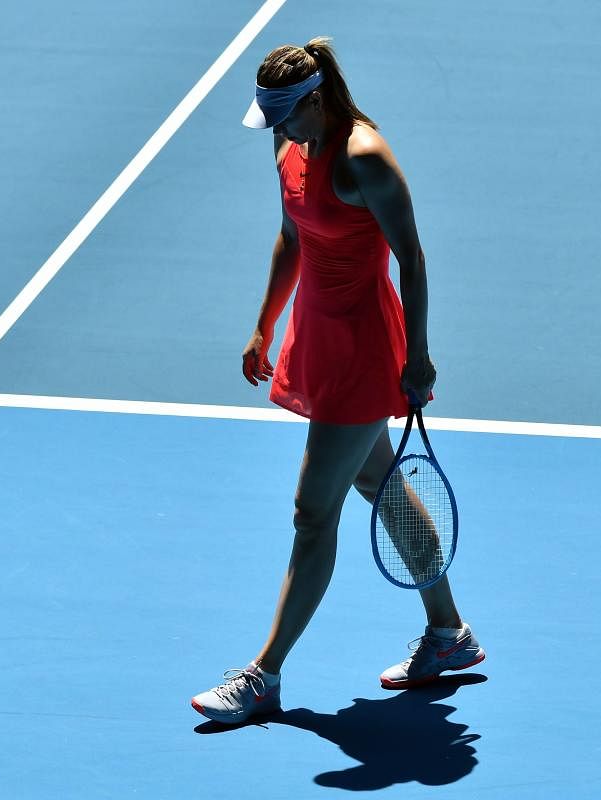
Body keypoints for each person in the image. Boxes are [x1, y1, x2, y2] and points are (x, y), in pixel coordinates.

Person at [190, 38, 484, 725]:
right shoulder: (289, 144)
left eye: (286, 118)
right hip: (317, 334)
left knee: (311, 512)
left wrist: (419, 356)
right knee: (375, 483)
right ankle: (450, 635)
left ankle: (263, 677)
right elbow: (292, 237)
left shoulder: (364, 160)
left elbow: (411, 258)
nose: (279, 133)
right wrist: (264, 323)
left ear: (315, 102)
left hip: (363, 350)